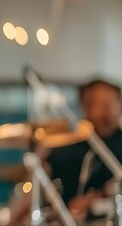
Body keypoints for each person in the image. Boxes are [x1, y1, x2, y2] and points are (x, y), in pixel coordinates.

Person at [46, 79, 122, 219]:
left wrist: (97, 196)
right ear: (85, 107)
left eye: (111, 103)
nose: (107, 111)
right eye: (100, 104)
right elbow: (46, 181)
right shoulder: (66, 149)